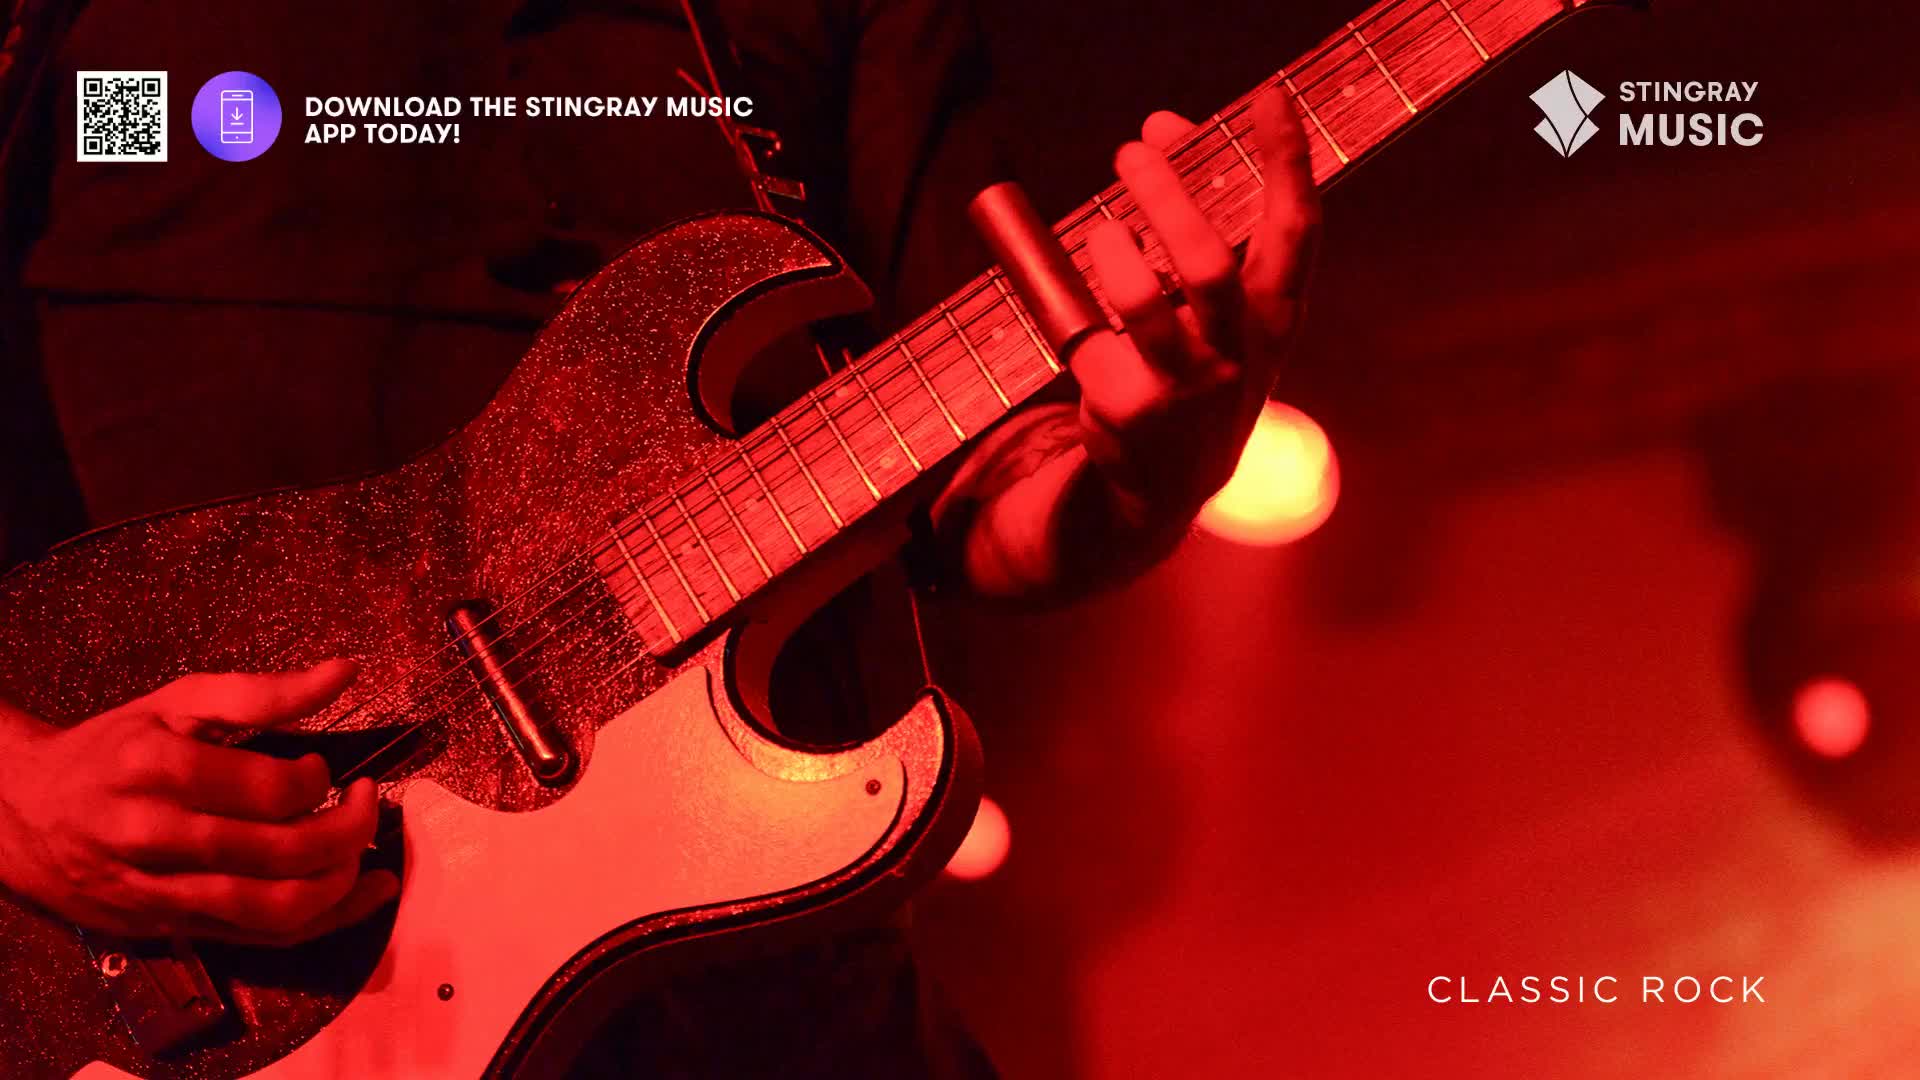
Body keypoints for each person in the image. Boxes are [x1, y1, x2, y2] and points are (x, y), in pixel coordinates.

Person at [0, 1, 1317, 1074]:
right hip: (195, 1000)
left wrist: (1155, 467)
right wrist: (15, 794)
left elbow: (987, 498)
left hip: (777, 1009)